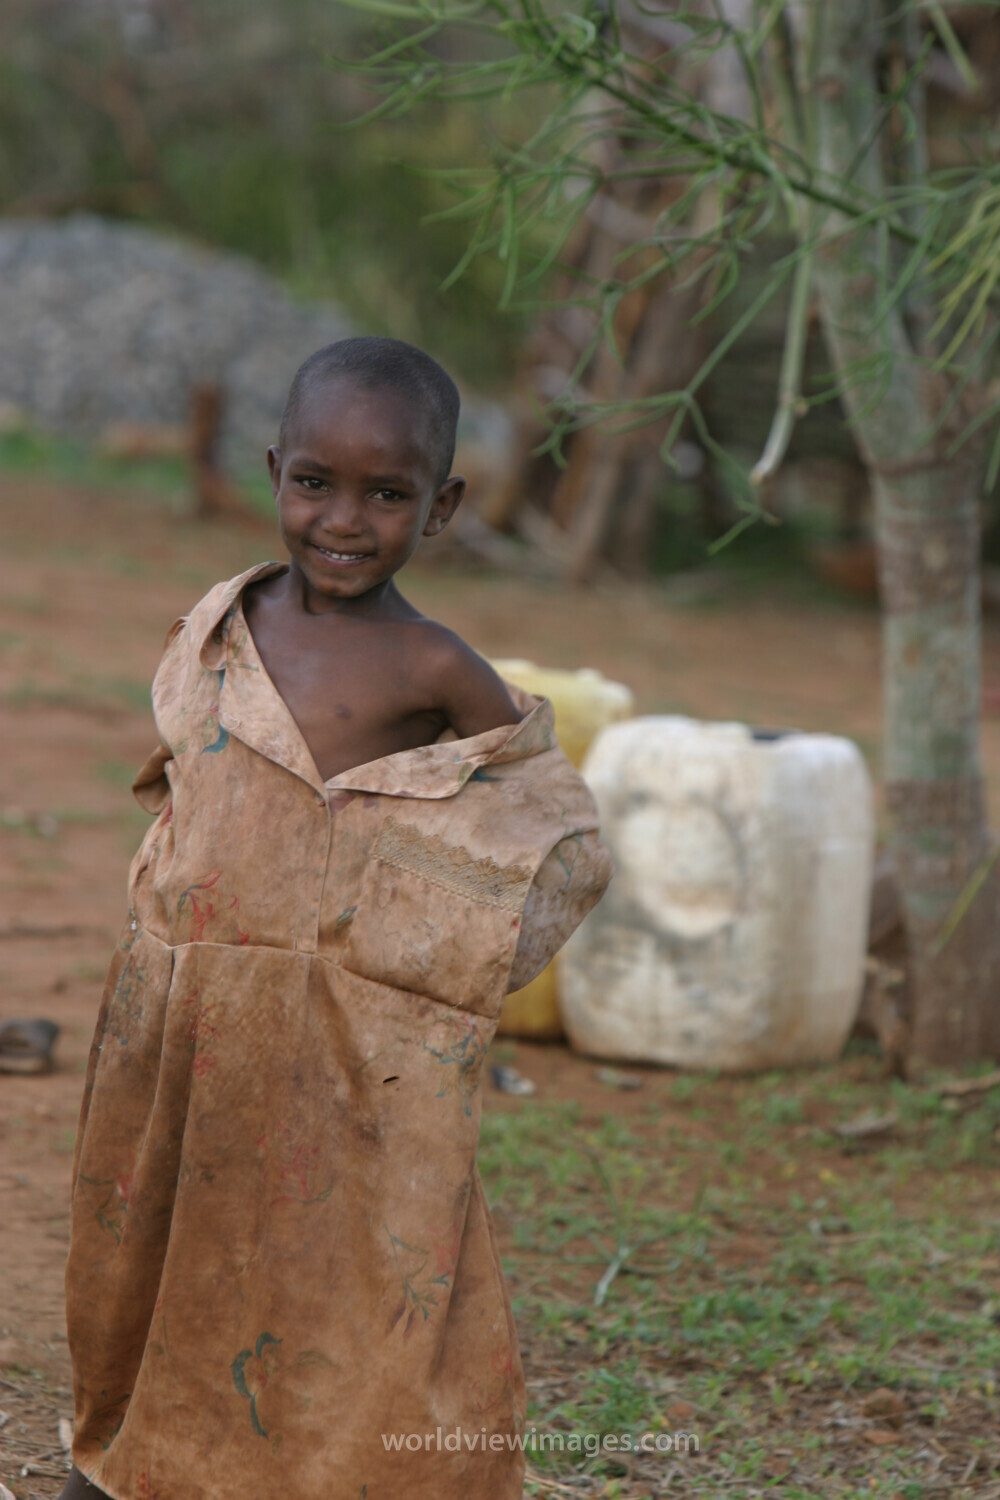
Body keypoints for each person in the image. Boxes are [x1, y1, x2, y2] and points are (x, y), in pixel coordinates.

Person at [60, 336, 613, 1500]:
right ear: (272, 473)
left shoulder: (434, 667)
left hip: (346, 1047)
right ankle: (120, 1461)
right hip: (186, 1022)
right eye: (315, 483)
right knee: (154, 1249)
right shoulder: (222, 624)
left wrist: (417, 957)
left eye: (388, 493)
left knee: (344, 1267)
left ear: (444, 504)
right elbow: (188, 771)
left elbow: (547, 826)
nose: (344, 521)